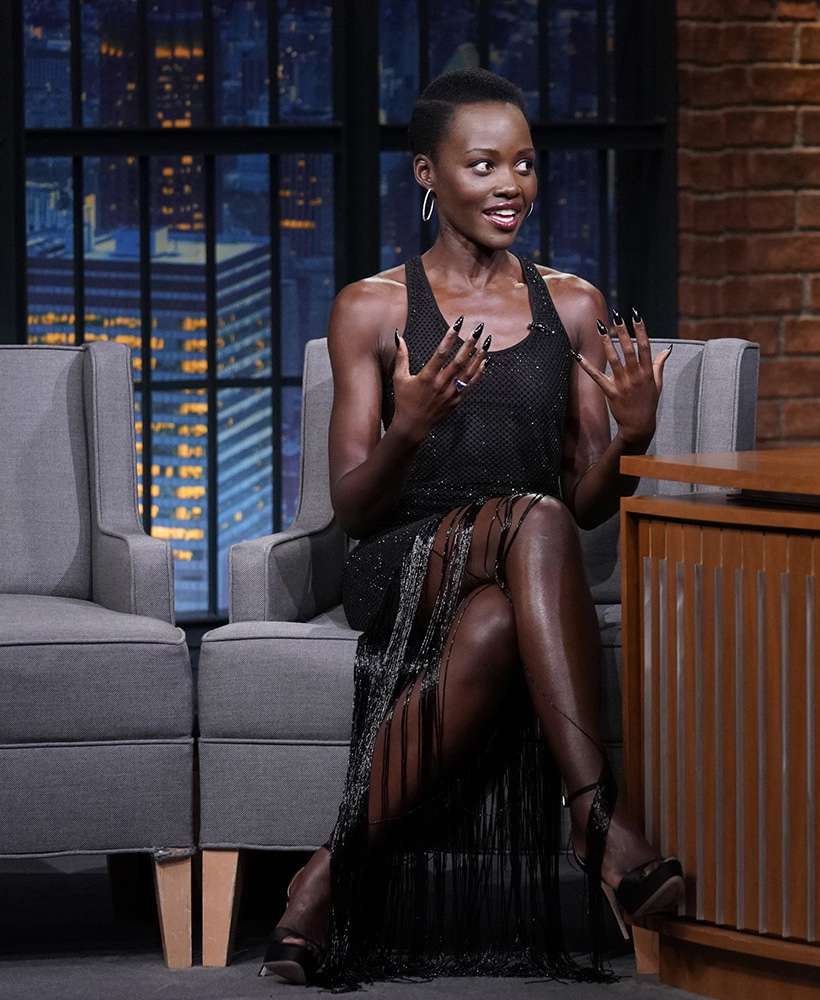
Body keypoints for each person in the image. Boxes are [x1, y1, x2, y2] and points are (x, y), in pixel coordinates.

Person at [260, 68, 683, 988]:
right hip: (402, 562)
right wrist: (408, 426)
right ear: (427, 175)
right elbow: (353, 508)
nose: (510, 186)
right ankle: (595, 813)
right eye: (483, 164)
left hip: (519, 572)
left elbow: (581, 500)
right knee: (526, 522)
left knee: (503, 601)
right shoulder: (370, 307)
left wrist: (637, 435)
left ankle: (327, 875)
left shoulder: (571, 303)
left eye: (525, 165)